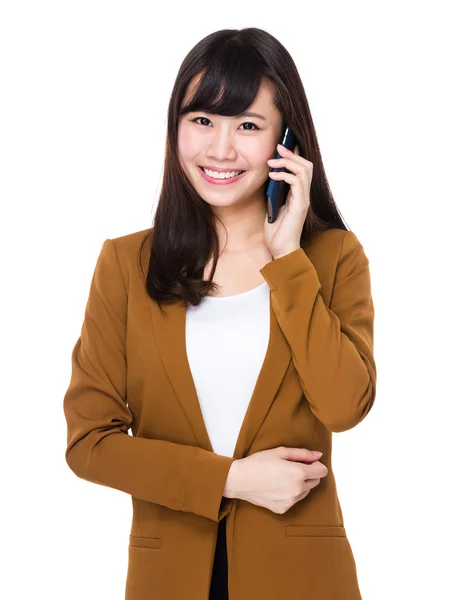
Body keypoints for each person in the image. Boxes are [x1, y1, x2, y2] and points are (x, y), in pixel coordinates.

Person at [63, 27, 376, 600]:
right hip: (168, 582)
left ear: (287, 141)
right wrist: (233, 480)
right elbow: (89, 443)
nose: (221, 149)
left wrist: (287, 261)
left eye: (248, 126)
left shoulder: (332, 258)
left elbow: (343, 407)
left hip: (304, 581)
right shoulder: (126, 264)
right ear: (175, 127)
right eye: (202, 120)